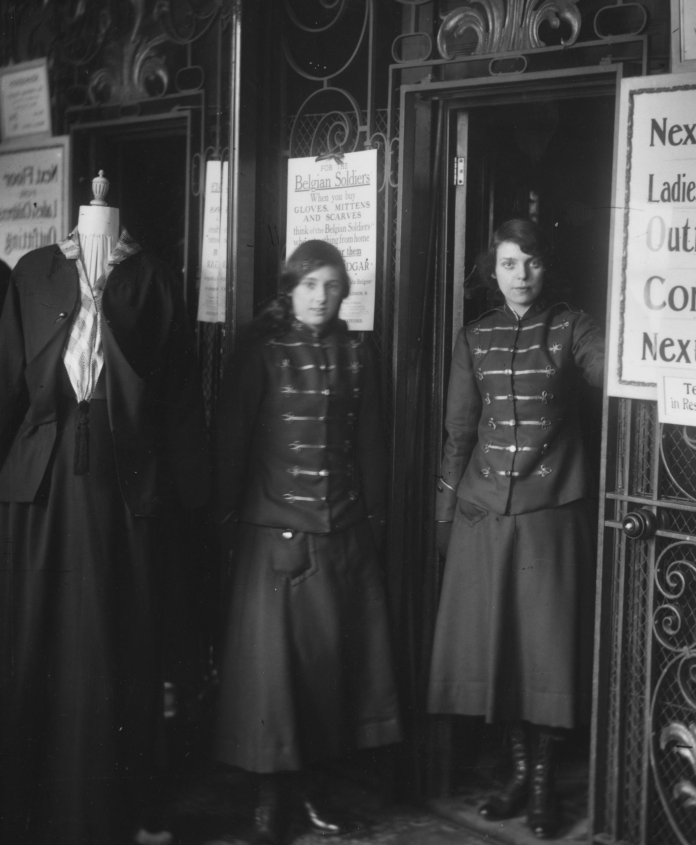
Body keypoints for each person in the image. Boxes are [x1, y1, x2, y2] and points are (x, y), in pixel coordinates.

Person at [0, 179, 209, 845]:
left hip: (124, 491)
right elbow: (8, 386)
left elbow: (177, 399)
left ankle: (115, 807)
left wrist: (193, 498)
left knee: (117, 646)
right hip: (41, 493)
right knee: (37, 643)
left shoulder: (154, 280)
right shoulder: (33, 273)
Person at [214, 239, 401, 844]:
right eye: (310, 285)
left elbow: (372, 446)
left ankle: (313, 793)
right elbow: (232, 446)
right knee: (273, 684)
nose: (321, 297)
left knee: (325, 678)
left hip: (342, 538)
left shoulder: (358, 353)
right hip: (274, 538)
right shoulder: (261, 353)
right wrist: (226, 526)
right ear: (290, 289)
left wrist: (372, 524)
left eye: (331, 286)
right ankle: (271, 804)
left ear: (344, 292)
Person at [428, 218, 605, 839]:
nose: (520, 275)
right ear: (492, 270)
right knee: (497, 649)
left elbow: (608, 368)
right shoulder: (475, 336)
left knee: (547, 658)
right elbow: (458, 434)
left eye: (529, 262)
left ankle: (541, 787)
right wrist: (447, 515)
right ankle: (516, 775)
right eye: (508, 264)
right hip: (485, 514)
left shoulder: (572, 326)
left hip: (552, 513)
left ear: (545, 266)